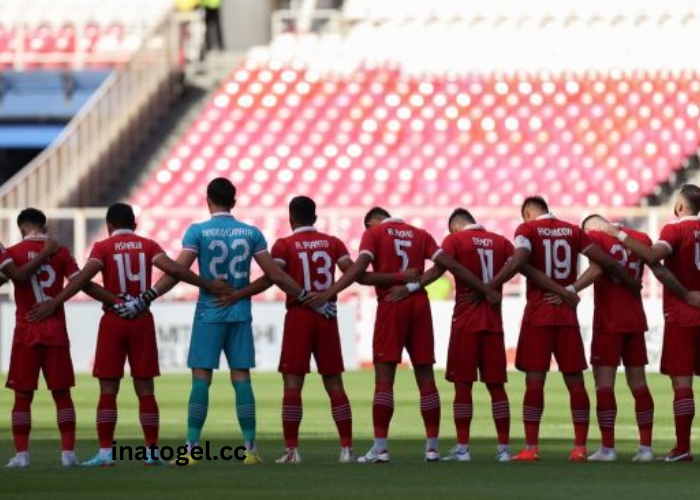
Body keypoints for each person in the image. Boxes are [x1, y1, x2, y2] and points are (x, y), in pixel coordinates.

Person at [216, 196, 418, 464]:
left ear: (291, 218)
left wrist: (239, 293)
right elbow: (359, 275)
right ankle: (347, 450)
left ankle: (292, 451)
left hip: (300, 315)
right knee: (334, 384)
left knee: (292, 384)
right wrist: (398, 277)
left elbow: (271, 278)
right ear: (315, 217)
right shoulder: (333, 243)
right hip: (326, 316)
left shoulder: (285, 244)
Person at [28, 203, 225, 467]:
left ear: (109, 226)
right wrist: (208, 284)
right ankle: (152, 453)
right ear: (134, 224)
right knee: (145, 389)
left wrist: (57, 303)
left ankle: (106, 454)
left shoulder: (102, 247)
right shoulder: (148, 245)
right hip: (141, 318)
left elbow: (82, 280)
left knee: (108, 389)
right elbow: (176, 271)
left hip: (113, 319)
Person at [134, 178, 315, 465]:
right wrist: (304, 295)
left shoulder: (198, 231)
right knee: (242, 378)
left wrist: (150, 295)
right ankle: (250, 449)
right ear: (234, 201)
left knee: (201, 379)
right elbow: (275, 275)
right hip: (240, 311)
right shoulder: (251, 233)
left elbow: (178, 271)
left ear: (208, 200)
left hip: (209, 310)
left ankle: (192, 449)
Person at [306, 207, 501, 463]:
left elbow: (361, 273)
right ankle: (432, 448)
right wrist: (484, 288)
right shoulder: (420, 234)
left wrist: (331, 292)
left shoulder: (375, 233)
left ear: (373, 222)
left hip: (392, 303)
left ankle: (380, 448)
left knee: (384, 378)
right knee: (426, 377)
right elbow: (448, 265)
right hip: (419, 304)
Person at [386, 208, 576, 462]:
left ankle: (463, 448)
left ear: (454, 227)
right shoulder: (501, 241)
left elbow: (437, 271)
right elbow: (522, 266)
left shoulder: (454, 241)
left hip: (466, 319)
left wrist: (410, 287)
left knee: (463, 386)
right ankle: (503, 449)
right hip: (493, 321)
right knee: (497, 387)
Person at [487, 196, 641, 461]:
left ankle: (531, 448)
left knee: (535, 382)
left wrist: (491, 285)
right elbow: (604, 263)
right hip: (566, 315)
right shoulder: (573, 230)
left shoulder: (527, 229)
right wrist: (572, 290)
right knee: (575, 382)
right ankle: (580, 447)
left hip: (539, 314)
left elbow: (520, 260)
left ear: (527, 213)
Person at [602, 184, 700, 461]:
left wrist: (618, 233)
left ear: (679, 207)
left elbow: (653, 256)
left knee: (683, 385)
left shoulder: (675, 229)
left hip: (684, 316)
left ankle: (682, 449)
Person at [1, 209, 105, 468]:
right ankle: (68, 453)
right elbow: (79, 282)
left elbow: (17, 277)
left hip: (26, 329)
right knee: (62, 394)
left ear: (22, 228)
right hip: (55, 329)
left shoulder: (13, 253)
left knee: (22, 396)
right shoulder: (60, 251)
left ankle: (22, 455)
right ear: (44, 226)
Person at [560, 214, 656, 461]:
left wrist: (571, 289)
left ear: (589, 228)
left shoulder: (595, 236)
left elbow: (597, 267)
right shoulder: (640, 237)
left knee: (604, 386)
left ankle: (608, 448)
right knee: (639, 385)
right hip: (635, 318)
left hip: (609, 320)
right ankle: (645, 449)